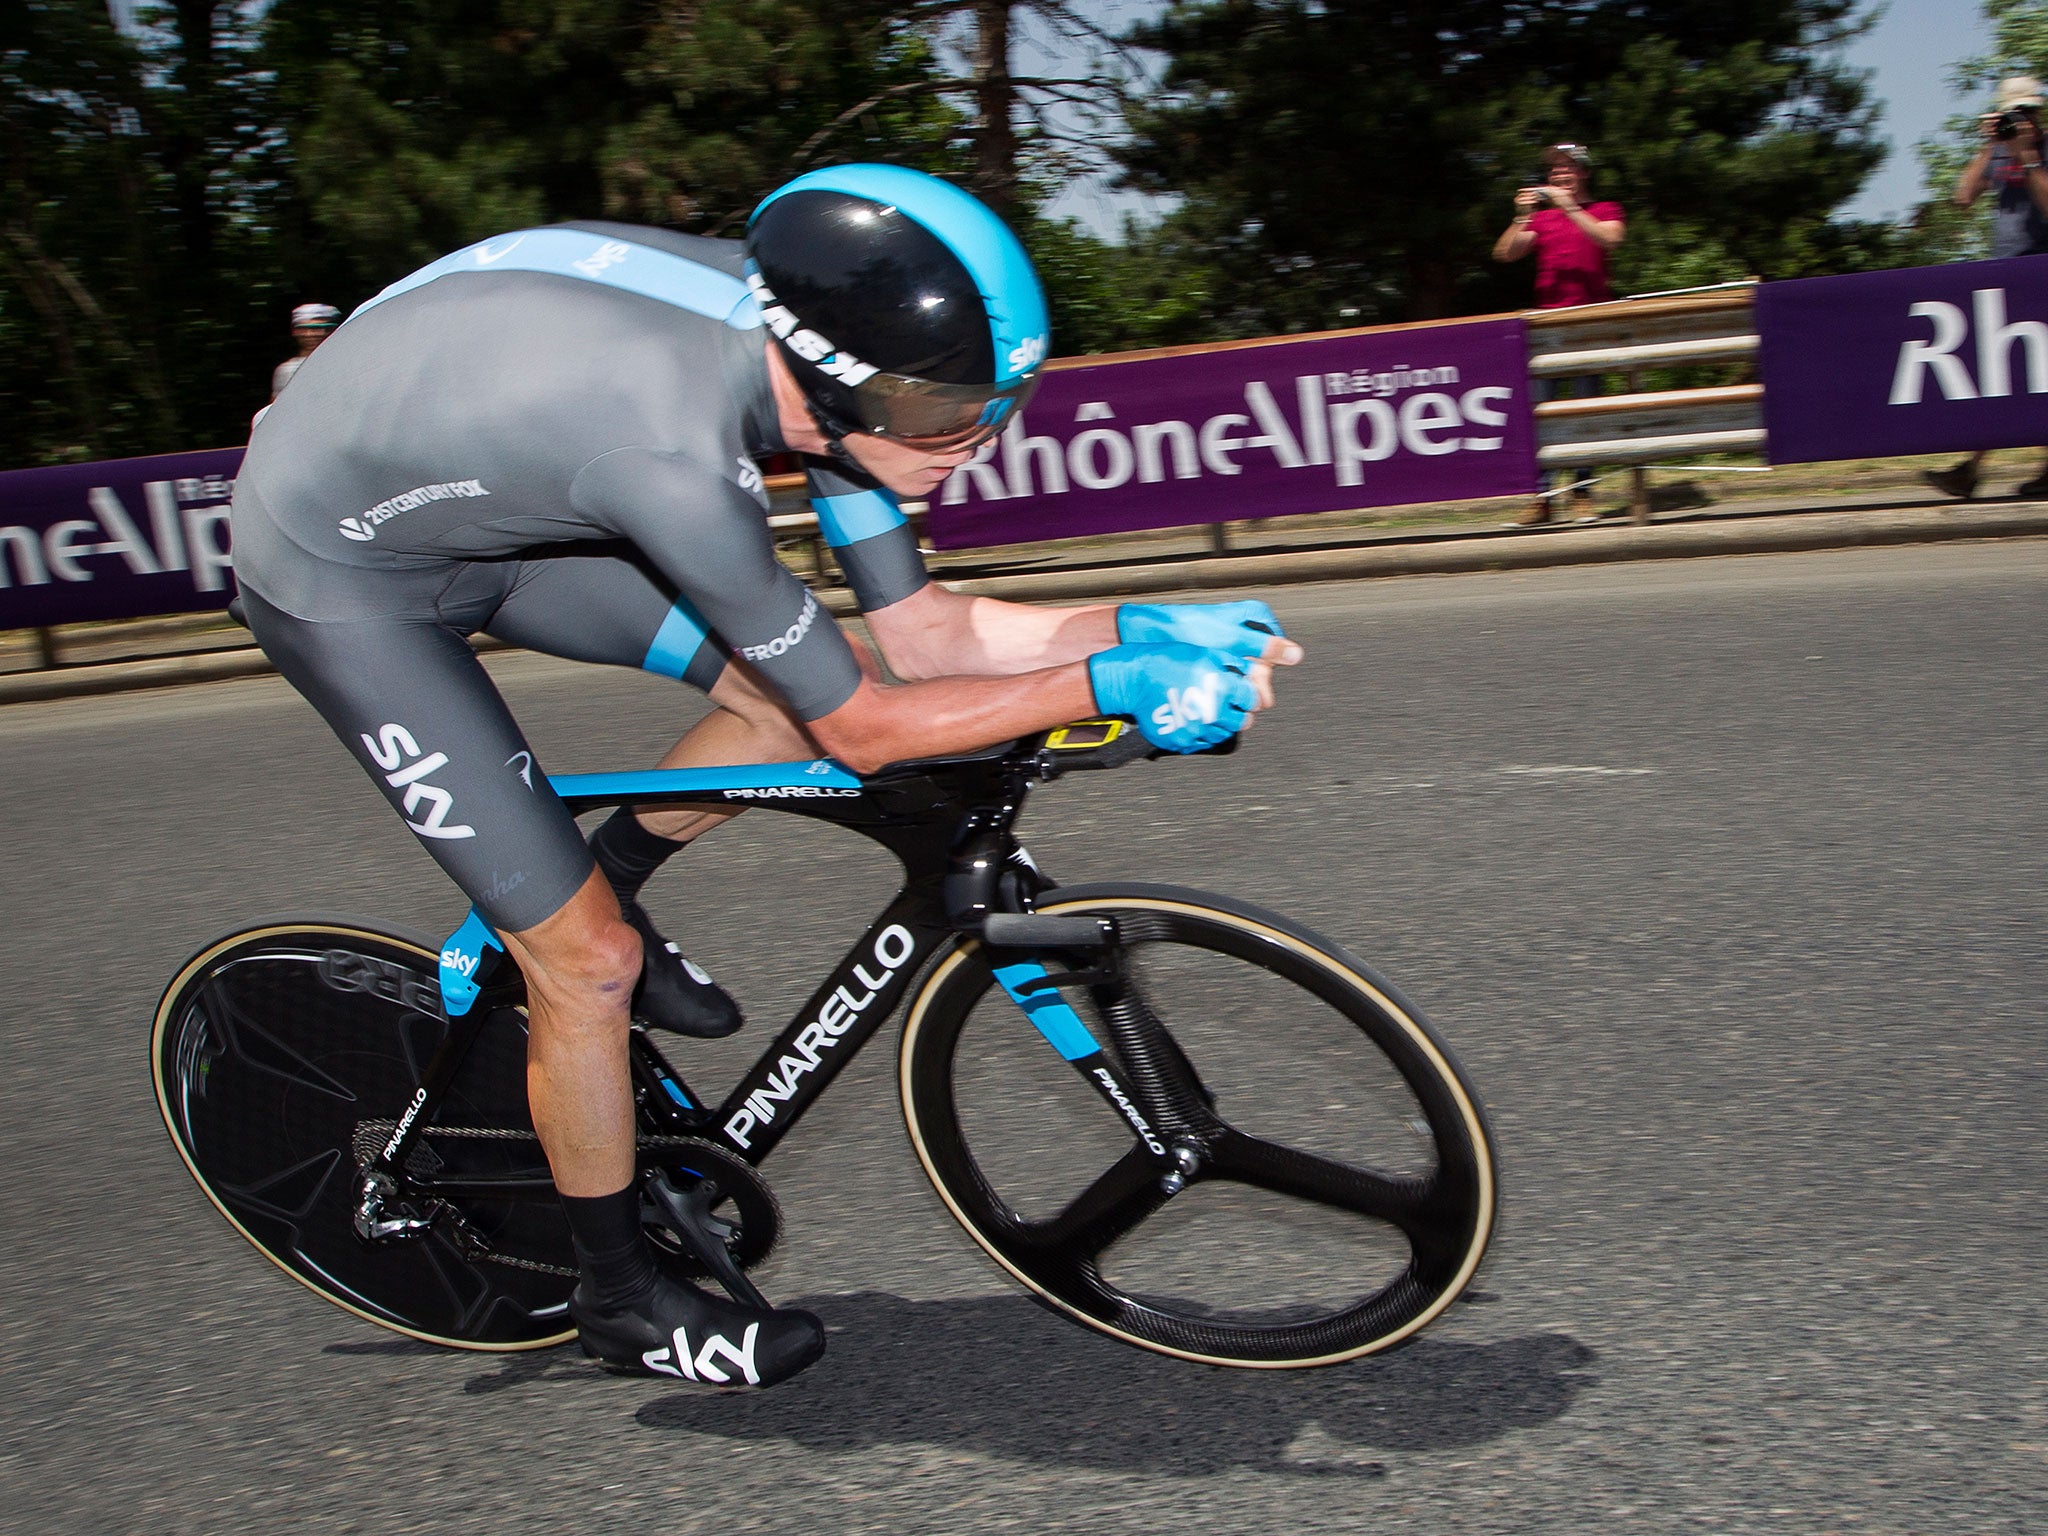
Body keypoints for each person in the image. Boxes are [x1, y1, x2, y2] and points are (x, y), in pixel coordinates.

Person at [227, 164, 1303, 1389]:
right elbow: (867, 732)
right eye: (950, 412)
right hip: (340, 576)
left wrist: (1150, 628)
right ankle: (621, 1297)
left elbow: (927, 640)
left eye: (997, 407)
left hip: (489, 502)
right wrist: (1108, 686)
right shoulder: (677, 460)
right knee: (585, 962)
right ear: (845, 381)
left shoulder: (822, 360)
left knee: (770, 689)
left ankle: (611, 873)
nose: (976, 441)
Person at [1922, 77, 2048, 503]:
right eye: (2015, 114)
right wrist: (1987, 144)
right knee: (2006, 375)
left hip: (2041, 273)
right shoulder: (1996, 150)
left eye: (2029, 112)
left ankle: (1971, 470)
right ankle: (1972, 470)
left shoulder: (2042, 152)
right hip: (2004, 276)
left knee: (2023, 374)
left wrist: (2029, 158)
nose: (2022, 120)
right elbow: (1962, 197)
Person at [1491, 143, 1627, 526]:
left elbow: (1611, 239)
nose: (1558, 176)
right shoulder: (1542, 219)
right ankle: (1543, 497)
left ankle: (1581, 493)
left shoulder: (1605, 209)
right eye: (1553, 171)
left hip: (1589, 322)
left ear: (1583, 173)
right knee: (1542, 414)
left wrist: (1569, 206)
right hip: (1546, 327)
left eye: (1566, 169)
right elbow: (1504, 253)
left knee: (1584, 411)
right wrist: (1522, 215)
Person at [270, 302, 340, 398]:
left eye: (317, 328)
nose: (309, 334)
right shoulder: (287, 370)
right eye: (303, 328)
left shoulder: (344, 364)